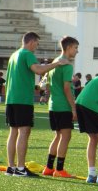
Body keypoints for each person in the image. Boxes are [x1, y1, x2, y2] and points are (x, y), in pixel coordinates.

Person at [4, 32, 70, 177]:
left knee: (13, 131)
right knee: (23, 131)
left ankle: (11, 167)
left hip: (11, 98)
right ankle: (21, 169)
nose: (37, 47)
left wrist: (38, 86)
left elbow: (19, 78)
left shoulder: (14, 55)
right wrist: (58, 63)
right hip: (22, 100)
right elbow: (38, 70)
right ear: (32, 42)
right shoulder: (27, 54)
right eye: (37, 44)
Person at [42, 36, 80, 179]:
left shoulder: (54, 62)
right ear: (69, 47)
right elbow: (67, 88)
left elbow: (47, 84)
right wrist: (73, 107)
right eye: (75, 48)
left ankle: (48, 168)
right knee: (66, 136)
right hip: (63, 106)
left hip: (53, 105)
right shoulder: (67, 65)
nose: (76, 51)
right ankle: (59, 169)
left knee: (58, 136)